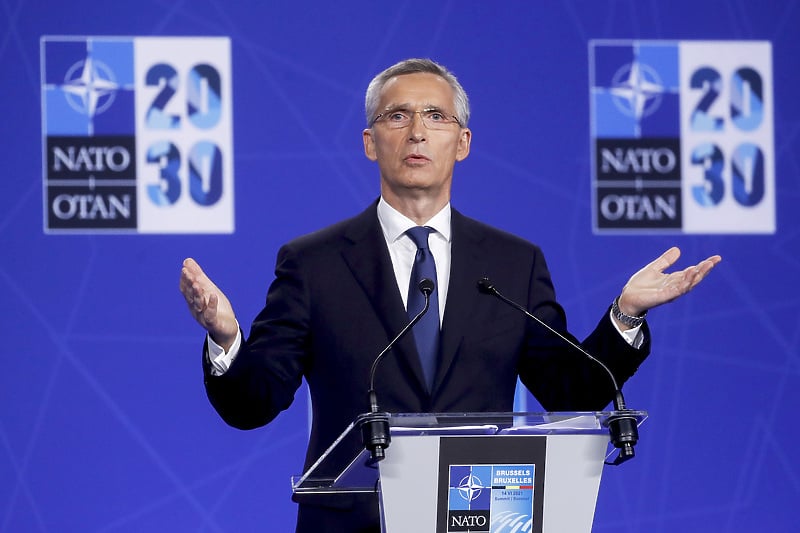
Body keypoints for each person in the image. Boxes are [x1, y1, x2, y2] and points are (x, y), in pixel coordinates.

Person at [179, 58, 721, 532]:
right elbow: (254, 403)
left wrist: (625, 315)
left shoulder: (512, 262)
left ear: (461, 143)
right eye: (397, 116)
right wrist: (227, 340)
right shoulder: (314, 263)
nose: (417, 131)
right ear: (370, 143)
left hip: (483, 520)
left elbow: (570, 390)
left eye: (436, 116)